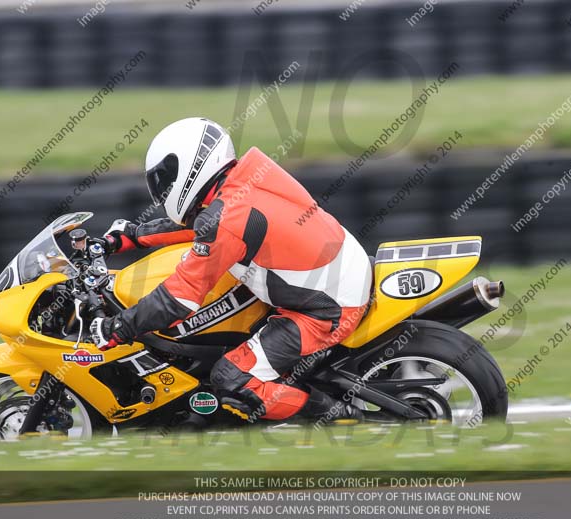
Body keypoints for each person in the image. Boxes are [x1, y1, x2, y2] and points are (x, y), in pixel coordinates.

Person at [89, 117, 372, 422]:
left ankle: (342, 417)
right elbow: (202, 224)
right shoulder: (244, 180)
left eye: (166, 179)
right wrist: (132, 236)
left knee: (231, 379)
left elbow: (179, 299)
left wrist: (119, 327)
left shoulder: (227, 216)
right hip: (341, 269)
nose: (163, 190)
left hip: (326, 309)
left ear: (191, 167)